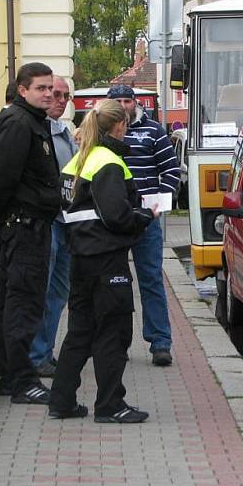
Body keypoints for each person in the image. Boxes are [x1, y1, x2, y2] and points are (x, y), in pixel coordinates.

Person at [49, 99, 158, 422]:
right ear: (120, 126)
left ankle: (62, 401)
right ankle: (110, 405)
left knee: (79, 331)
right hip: (107, 259)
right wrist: (142, 216)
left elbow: (74, 209)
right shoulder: (109, 162)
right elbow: (116, 215)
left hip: (79, 257)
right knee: (114, 330)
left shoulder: (76, 161)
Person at [0, 62, 60, 405]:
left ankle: (13, 375)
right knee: (22, 302)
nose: (48, 94)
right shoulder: (18, 124)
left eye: (50, 88)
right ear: (22, 90)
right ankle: (20, 380)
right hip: (22, 226)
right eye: (41, 88)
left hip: (27, 225)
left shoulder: (31, 122)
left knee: (15, 299)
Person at [107, 84, 180, 367]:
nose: (124, 105)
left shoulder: (153, 131)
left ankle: (160, 342)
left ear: (135, 103)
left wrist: (160, 205)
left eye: (128, 100)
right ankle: (117, 342)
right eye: (118, 101)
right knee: (116, 283)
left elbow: (171, 170)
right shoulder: (102, 133)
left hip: (148, 219)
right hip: (114, 219)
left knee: (150, 279)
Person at [29, 76, 78, 377]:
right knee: (41, 290)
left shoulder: (65, 133)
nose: (60, 100)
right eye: (55, 94)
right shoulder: (35, 131)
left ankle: (44, 351)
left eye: (65, 96)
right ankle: (35, 355)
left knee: (59, 291)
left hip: (66, 222)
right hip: (46, 222)